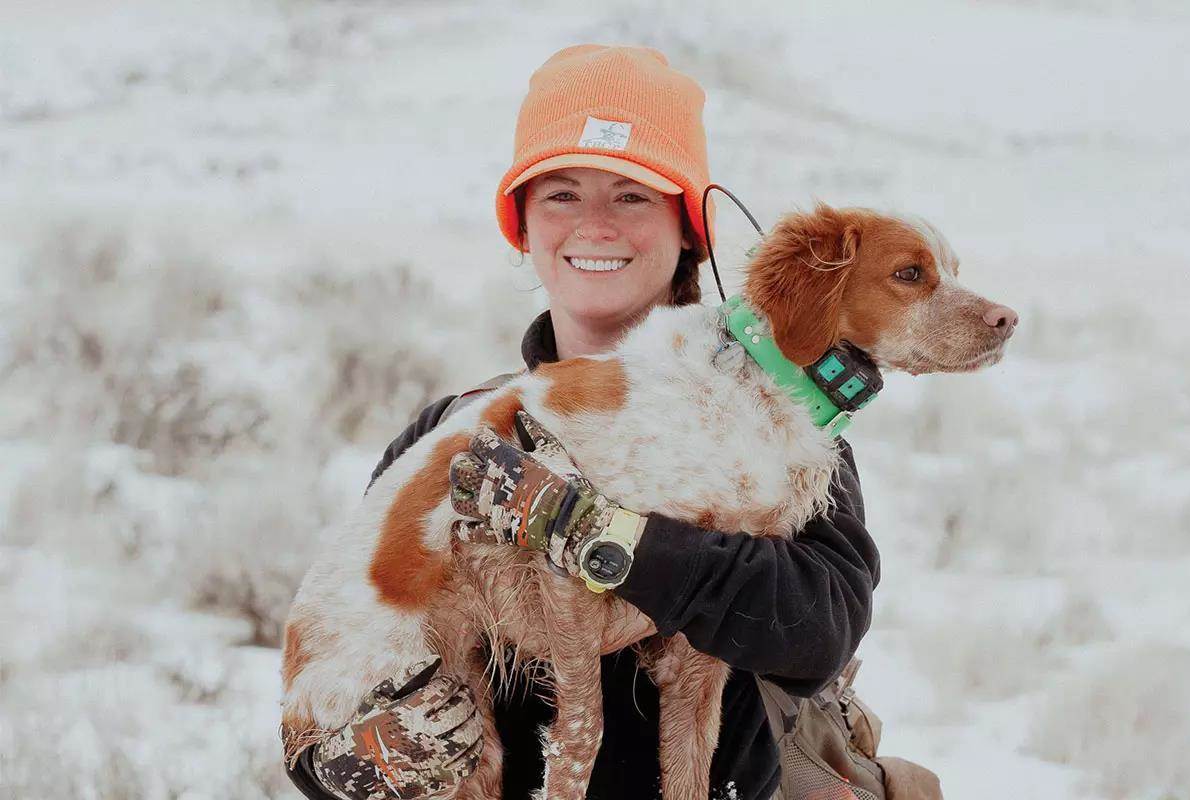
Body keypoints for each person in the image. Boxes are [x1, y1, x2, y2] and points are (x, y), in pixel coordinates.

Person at [285, 44, 880, 800]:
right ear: (523, 229)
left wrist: (603, 536)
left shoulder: (774, 424)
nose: (595, 225)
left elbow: (818, 630)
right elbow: (359, 625)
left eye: (632, 195)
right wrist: (345, 757)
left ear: (690, 228)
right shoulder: (455, 434)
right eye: (560, 195)